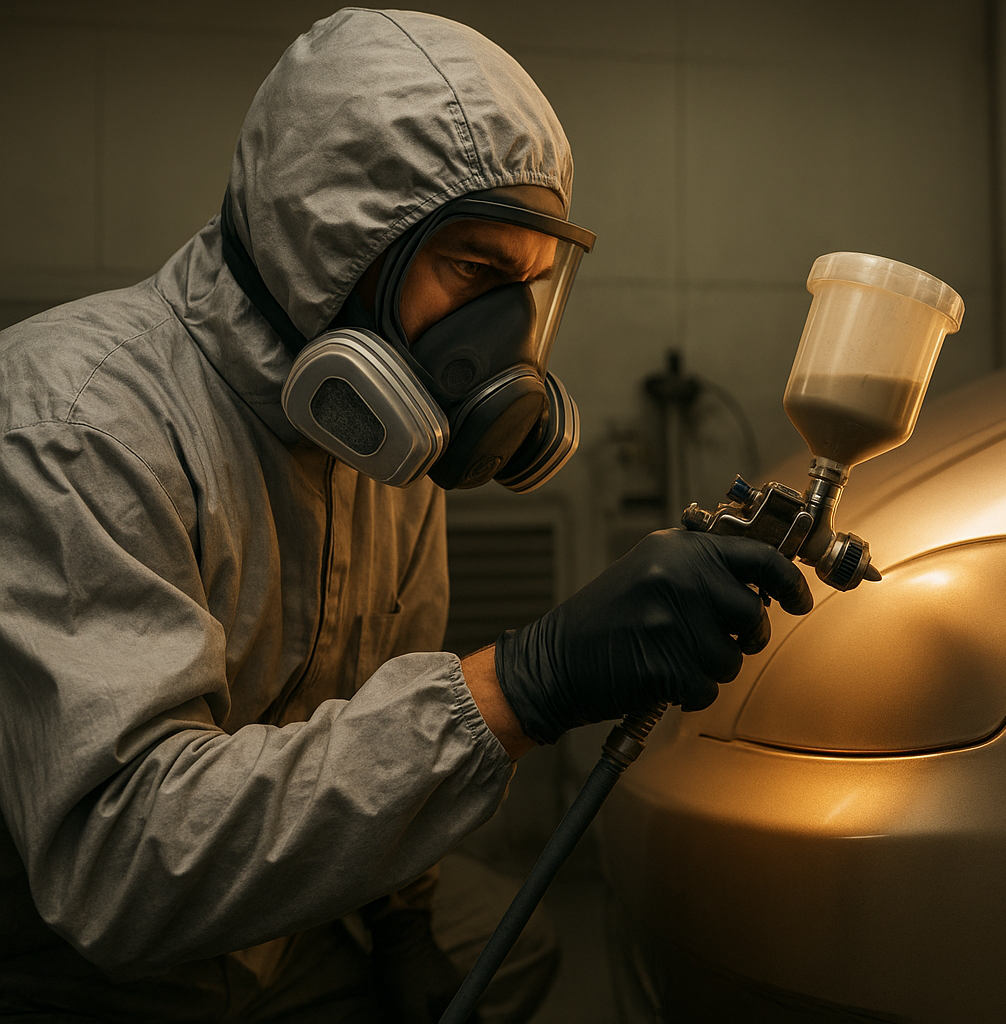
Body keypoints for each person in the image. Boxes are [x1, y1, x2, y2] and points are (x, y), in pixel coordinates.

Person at [0, 9, 812, 1023]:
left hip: (275, 929)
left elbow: (365, 706)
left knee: (511, 947)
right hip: (76, 967)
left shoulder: (390, 447)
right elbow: (119, 863)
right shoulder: (75, 417)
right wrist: (520, 683)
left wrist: (399, 919)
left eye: (528, 284)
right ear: (325, 241)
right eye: (473, 272)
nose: (504, 336)